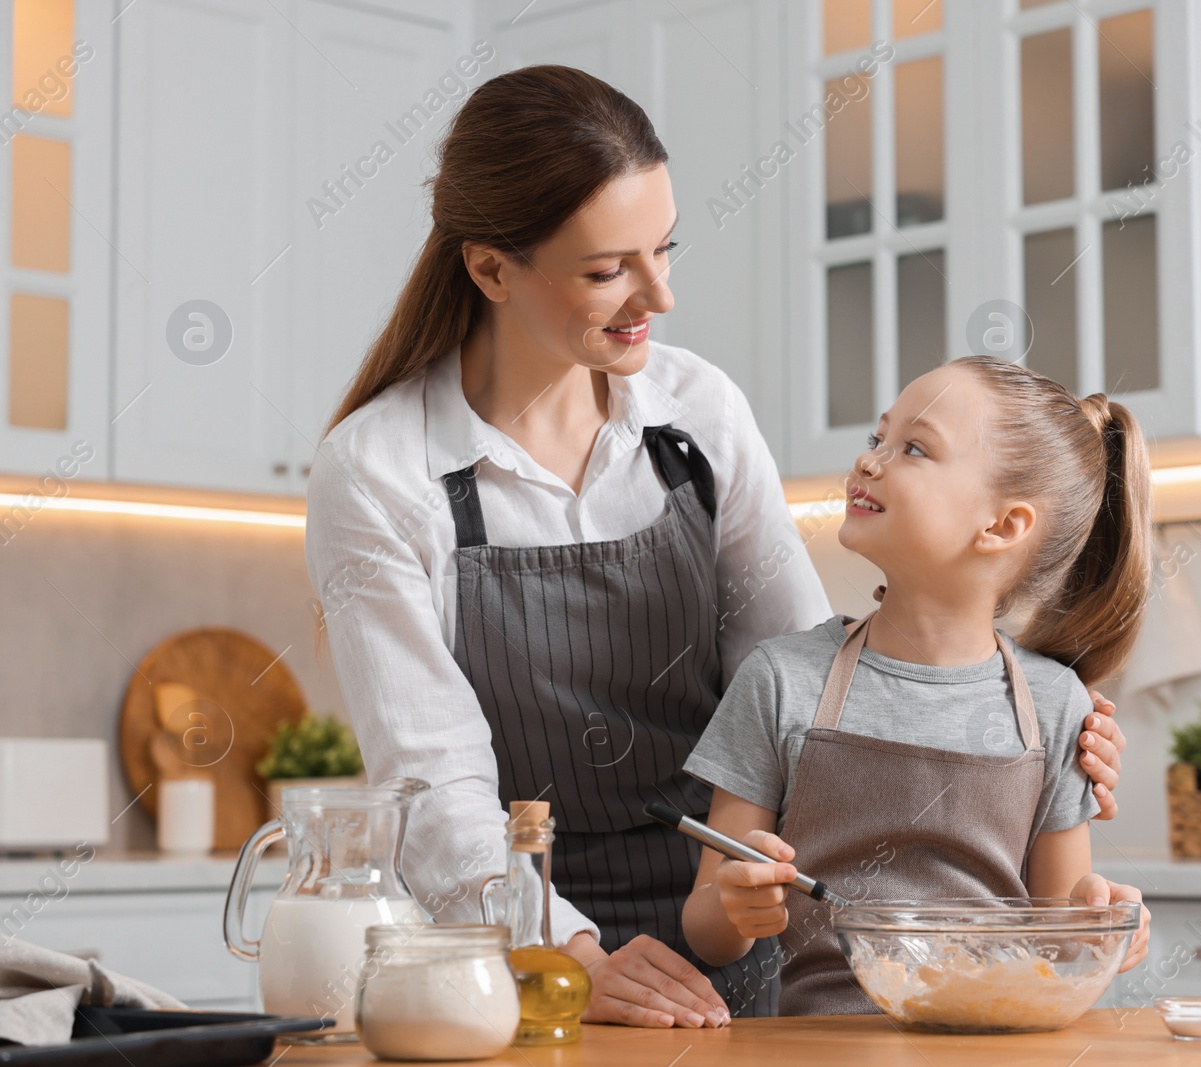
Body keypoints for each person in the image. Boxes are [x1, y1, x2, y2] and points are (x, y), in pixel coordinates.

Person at [305, 65, 1132, 1029]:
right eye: (608, 269)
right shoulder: (378, 470)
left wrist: (1019, 726)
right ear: (491, 269)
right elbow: (434, 782)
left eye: (665, 247)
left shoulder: (699, 413)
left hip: (732, 949)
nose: (658, 292)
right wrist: (562, 952)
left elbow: (809, 682)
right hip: (507, 966)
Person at [681, 357, 1154, 1014]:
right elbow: (709, 933)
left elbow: (1064, 942)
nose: (870, 460)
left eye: (914, 447)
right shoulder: (781, 679)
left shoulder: (1055, 705)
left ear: (1003, 525)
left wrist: (1103, 921)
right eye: (878, 437)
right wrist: (737, 899)